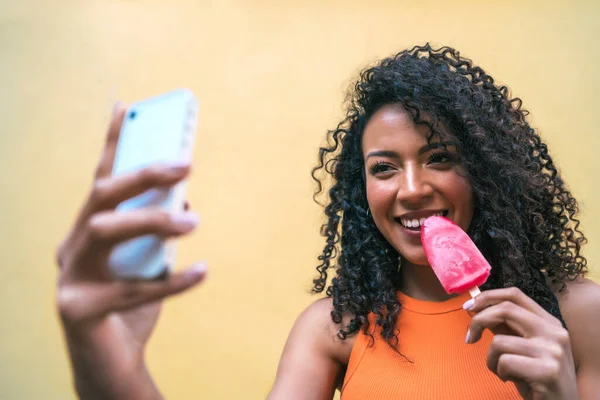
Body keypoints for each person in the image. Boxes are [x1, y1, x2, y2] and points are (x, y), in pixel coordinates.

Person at [56, 44, 600, 399]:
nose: (411, 189)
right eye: (384, 168)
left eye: (440, 158)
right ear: (362, 191)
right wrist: (109, 357)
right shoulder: (334, 327)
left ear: (484, 171)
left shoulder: (576, 315)